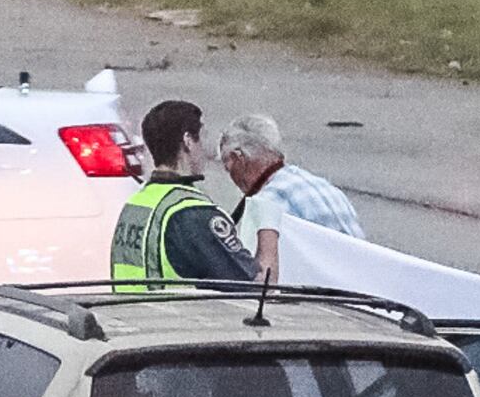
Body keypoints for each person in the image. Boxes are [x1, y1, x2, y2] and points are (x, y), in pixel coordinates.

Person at [109, 100, 255, 290]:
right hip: (176, 318)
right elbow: (250, 284)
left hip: (125, 318)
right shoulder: (192, 214)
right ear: (188, 141)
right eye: (201, 139)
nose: (206, 150)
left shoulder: (135, 205)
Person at [218, 112, 364, 281]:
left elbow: (257, 279)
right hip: (358, 290)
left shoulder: (265, 203)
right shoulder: (324, 187)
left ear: (239, 158)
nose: (230, 176)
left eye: (228, 167)